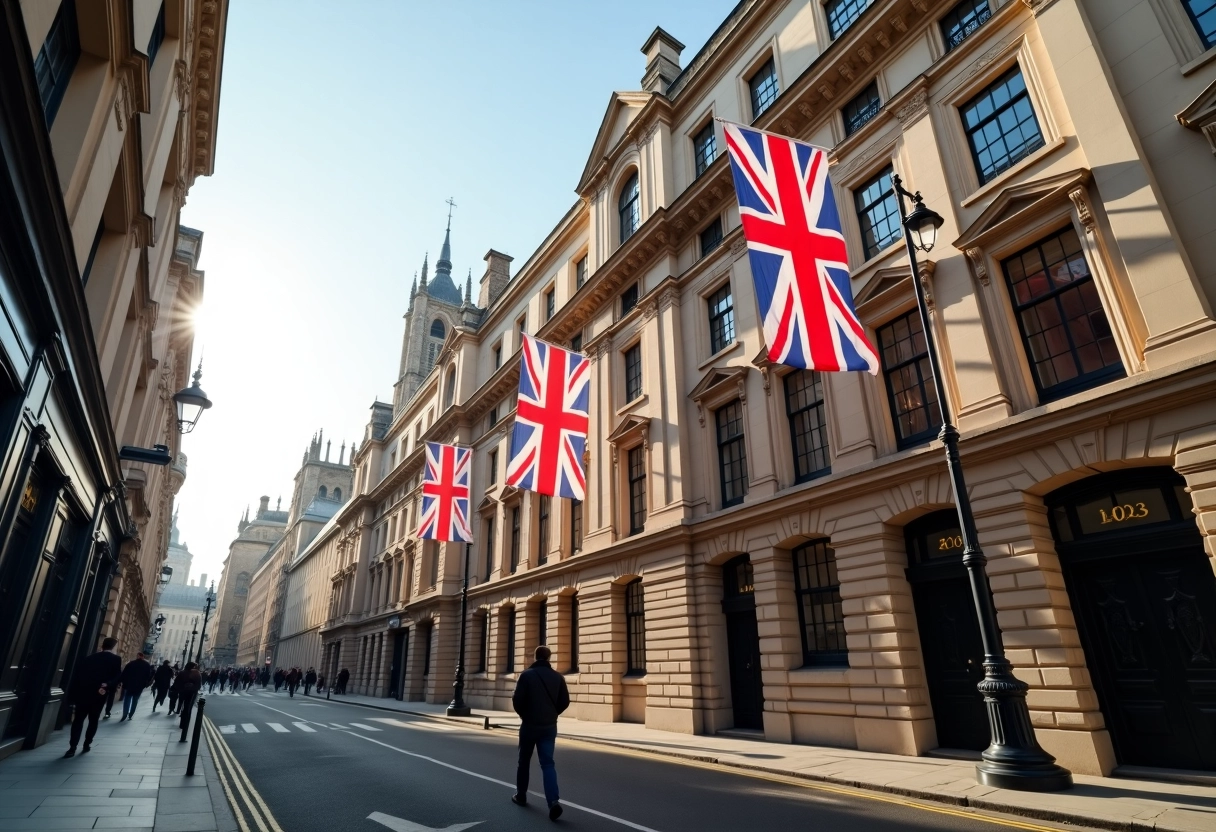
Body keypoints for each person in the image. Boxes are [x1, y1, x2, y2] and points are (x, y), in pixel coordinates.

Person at [510, 645, 570, 821]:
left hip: (529, 725)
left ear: (535, 657)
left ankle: (521, 795)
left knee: (524, 761)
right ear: (549, 658)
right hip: (549, 726)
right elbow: (565, 701)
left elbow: (517, 700)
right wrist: (552, 714)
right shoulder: (558, 677)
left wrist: (525, 715)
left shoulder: (526, 675)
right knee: (548, 764)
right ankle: (553, 802)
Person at [64, 637, 122, 757]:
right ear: (113, 647)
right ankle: (87, 743)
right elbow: (116, 676)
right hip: (99, 694)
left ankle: (72, 747)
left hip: (83, 693)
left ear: (102, 645)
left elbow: (78, 676)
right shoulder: (116, 659)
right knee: (93, 720)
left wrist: (72, 696)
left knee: (78, 720)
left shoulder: (90, 658)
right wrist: (108, 685)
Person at [118, 651, 152, 721]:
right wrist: (145, 684)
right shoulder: (147, 665)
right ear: (143, 657)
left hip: (129, 685)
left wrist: (122, 682)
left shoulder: (131, 663)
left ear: (137, 656)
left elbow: (124, 674)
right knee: (135, 700)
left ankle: (125, 714)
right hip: (139, 686)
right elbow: (148, 676)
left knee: (127, 699)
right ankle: (131, 714)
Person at [177, 662, 202, 729]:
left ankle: (182, 723)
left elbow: (177, 682)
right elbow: (199, 686)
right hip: (192, 693)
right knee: (188, 708)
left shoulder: (182, 672)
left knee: (183, 706)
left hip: (182, 692)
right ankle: (185, 724)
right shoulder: (197, 674)